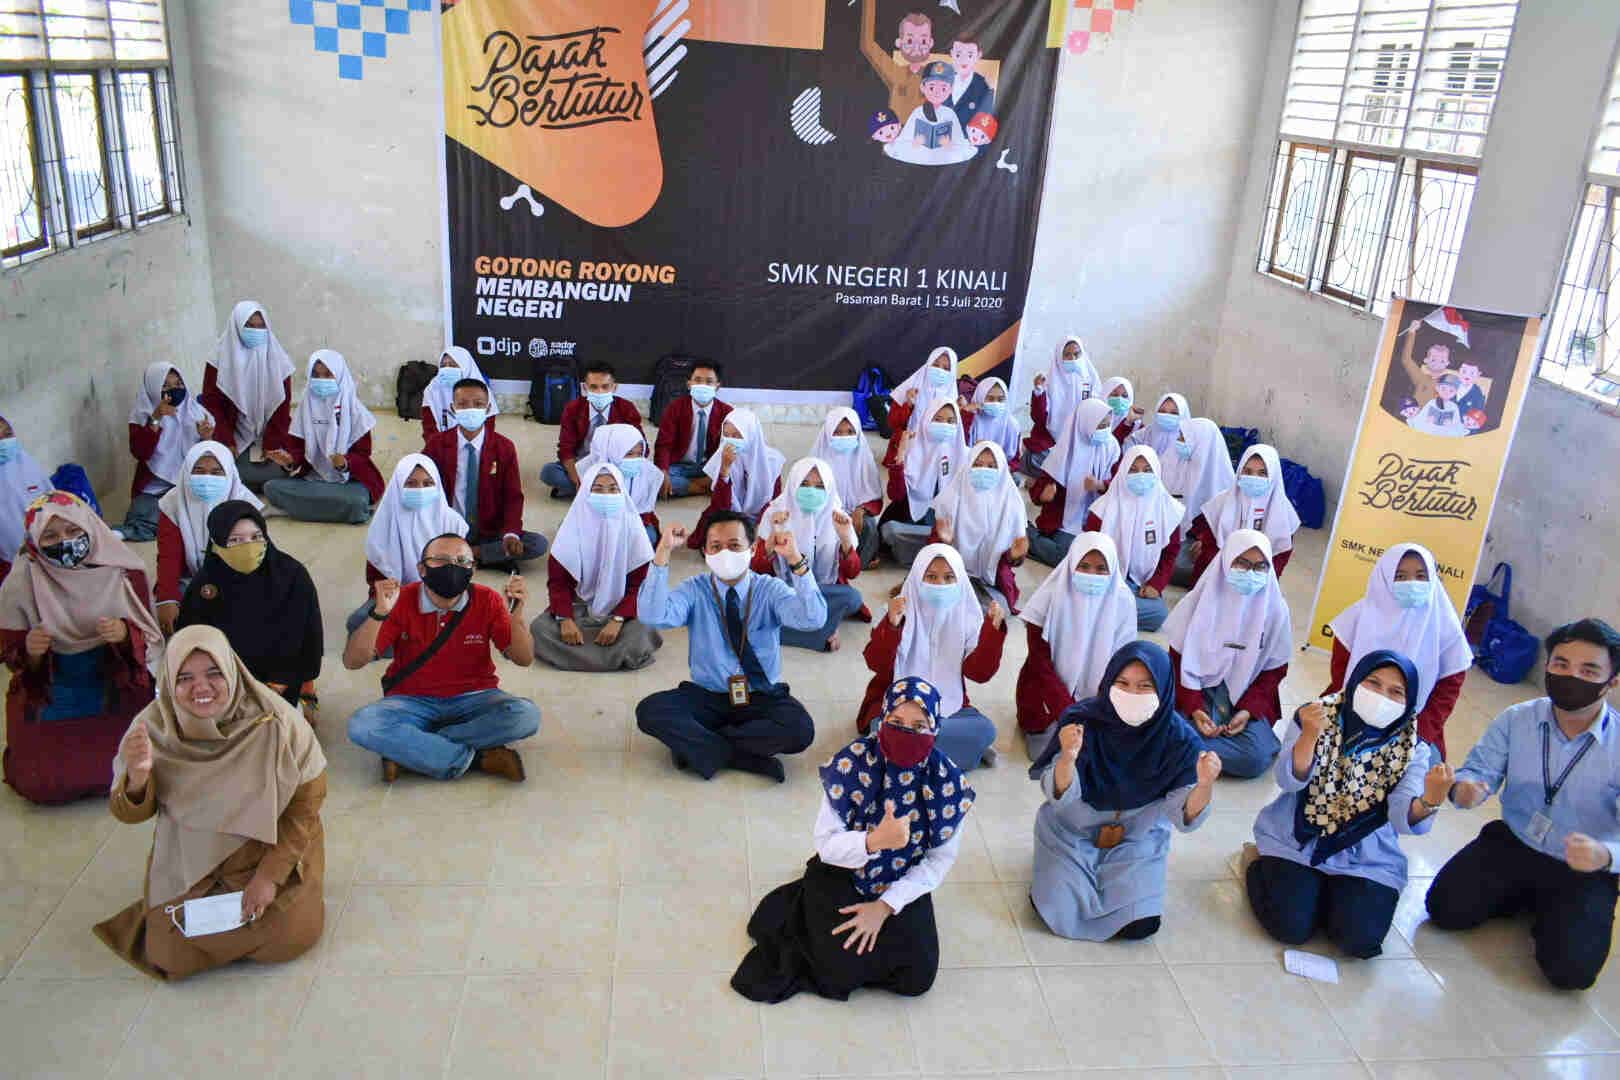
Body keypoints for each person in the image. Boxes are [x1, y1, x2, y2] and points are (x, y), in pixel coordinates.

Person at [92, 626, 327, 979]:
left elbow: (306, 805)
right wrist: (138, 778)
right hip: (192, 856)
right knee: (169, 955)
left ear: (232, 671)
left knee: (289, 938)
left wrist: (269, 877)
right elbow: (127, 813)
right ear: (169, 682)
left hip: (268, 848)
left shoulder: (276, 721)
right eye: (184, 678)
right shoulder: (153, 728)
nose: (200, 687)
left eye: (214, 673)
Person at [732, 677, 974, 1003]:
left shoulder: (947, 784)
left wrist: (886, 906)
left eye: (919, 726)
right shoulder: (852, 765)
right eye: (896, 723)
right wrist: (874, 841)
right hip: (844, 870)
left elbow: (938, 860)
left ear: (935, 729)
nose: (906, 734)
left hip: (902, 881)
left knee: (917, 977)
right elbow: (826, 844)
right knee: (836, 968)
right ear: (882, 720)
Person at [1425, 618, 1620, 990]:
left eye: (1588, 670)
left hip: (1583, 865)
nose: (1571, 677)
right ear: (1547, 665)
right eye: (1561, 664)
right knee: (1445, 909)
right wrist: (1465, 789)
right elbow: (1477, 772)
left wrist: (1605, 855)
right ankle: (1530, 899)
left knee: (1570, 974)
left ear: (1613, 681)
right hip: (1515, 842)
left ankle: (1550, 908)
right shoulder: (1517, 719)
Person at [1245, 650, 1445, 960]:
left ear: (1409, 702)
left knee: (1358, 941)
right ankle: (1260, 863)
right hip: (1300, 837)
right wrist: (1309, 737)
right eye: (1373, 683)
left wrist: (1430, 800)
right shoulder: (1315, 715)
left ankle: (1325, 895)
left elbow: (1401, 817)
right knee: (1289, 927)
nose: (1381, 697)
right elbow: (1289, 781)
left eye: (1395, 692)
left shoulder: (1412, 748)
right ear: (1355, 681)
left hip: (1367, 852)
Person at [1028, 641, 1222, 941]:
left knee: (1140, 925)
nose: (1132, 694)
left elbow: (1183, 817)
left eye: (1145, 686)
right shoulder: (1083, 721)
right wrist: (1067, 757)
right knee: (1055, 909)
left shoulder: (1180, 740)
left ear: (1163, 689)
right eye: (1123, 683)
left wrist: (1205, 785)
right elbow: (1059, 798)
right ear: (1109, 682)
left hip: (1136, 840)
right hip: (1072, 833)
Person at [634, 511, 826, 782]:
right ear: (705, 552)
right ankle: (744, 756)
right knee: (650, 710)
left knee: (800, 730)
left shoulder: (769, 589)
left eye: (734, 545)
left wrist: (796, 560)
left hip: (760, 693)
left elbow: (813, 618)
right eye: (716, 546)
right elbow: (652, 615)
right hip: (708, 694)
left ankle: (702, 748)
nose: (725, 553)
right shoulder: (695, 589)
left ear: (753, 549)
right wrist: (662, 553)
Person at [0, 491, 161, 804]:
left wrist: (124, 635)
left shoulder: (123, 571)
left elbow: (150, 642)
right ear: (34, 540)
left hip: (113, 672)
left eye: (74, 530)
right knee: (39, 778)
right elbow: (13, 658)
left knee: (138, 757)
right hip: (52, 678)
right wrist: (32, 652)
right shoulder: (22, 581)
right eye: (50, 536)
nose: (65, 541)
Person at [344, 533, 538, 783]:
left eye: (462, 561)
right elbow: (353, 661)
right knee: (363, 725)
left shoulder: (487, 599)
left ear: (473, 569)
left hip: (475, 698)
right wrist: (379, 613)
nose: (452, 567)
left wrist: (516, 615)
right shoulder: (401, 599)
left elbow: (524, 658)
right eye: (441, 560)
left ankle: (415, 749)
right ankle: (477, 758)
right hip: (411, 700)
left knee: (526, 715)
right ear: (422, 569)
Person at [857, 544, 1005, 770]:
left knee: (985, 729)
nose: (940, 585)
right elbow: (876, 663)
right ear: (917, 577)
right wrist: (892, 626)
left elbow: (979, 674)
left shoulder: (969, 616)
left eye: (949, 578)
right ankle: (952, 751)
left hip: (949, 708)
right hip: (898, 707)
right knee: (889, 728)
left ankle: (907, 752)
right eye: (931, 577)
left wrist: (991, 634)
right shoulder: (895, 611)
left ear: (960, 581)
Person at [1163, 530, 1292, 779]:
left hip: (1245, 696)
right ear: (1225, 562)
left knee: (1254, 757)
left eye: (1260, 567)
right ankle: (1191, 747)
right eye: (1241, 563)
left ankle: (1184, 750)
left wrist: (1247, 710)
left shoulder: (1276, 609)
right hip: (1197, 689)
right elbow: (1177, 661)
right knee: (1164, 724)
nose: (1250, 573)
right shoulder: (1200, 600)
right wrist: (1195, 708)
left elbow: (1274, 672)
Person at [1324, 542, 1469, 759]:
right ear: (1385, 579)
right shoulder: (1358, 617)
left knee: (1418, 774)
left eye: (1421, 576)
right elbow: (1340, 675)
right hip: (1351, 711)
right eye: (1400, 576)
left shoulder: (1447, 630)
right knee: (1317, 756)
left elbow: (1446, 694)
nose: (1412, 583)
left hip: (1416, 726)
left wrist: (1416, 735)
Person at [176, 502, 321, 714]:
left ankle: (302, 699)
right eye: (235, 540)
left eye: (256, 537)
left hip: (279, 682)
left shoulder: (291, 576)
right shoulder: (204, 585)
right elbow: (191, 642)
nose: (248, 547)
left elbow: (303, 637)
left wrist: (276, 686)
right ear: (217, 544)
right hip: (222, 684)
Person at [1016, 534, 1137, 760]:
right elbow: (1040, 665)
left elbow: (1122, 664)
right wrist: (1069, 711)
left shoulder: (1123, 601)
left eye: (1101, 569)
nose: (1092, 575)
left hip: (1097, 700)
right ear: (1071, 564)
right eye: (1084, 566)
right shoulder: (1050, 597)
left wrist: (1096, 709)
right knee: (1044, 753)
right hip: (1046, 696)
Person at [532, 463, 662, 672]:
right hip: (578, 608)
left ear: (622, 492)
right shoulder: (571, 528)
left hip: (622, 611)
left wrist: (618, 620)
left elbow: (639, 587)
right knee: (540, 629)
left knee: (646, 626)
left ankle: (575, 656)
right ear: (585, 492)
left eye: (613, 489)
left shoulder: (634, 530)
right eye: (598, 489)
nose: (606, 495)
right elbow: (558, 583)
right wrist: (565, 619)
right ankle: (616, 657)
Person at [424, 378, 548, 570]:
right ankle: (482, 555)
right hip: (448, 527)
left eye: (478, 404)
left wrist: (511, 534)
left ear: (488, 408)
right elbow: (425, 488)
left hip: (489, 530)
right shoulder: (437, 444)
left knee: (537, 543)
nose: (470, 409)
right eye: (462, 404)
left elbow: (513, 496)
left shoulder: (504, 447)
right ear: (453, 408)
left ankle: (468, 554)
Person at [346, 454, 468, 636]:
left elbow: (462, 575)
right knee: (357, 623)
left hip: (444, 598)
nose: (420, 490)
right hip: (396, 599)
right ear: (397, 486)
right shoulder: (384, 523)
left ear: (437, 485)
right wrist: (390, 594)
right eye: (411, 483)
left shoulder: (453, 523)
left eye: (428, 483)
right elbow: (375, 580)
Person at [261, 350, 384, 524]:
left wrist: (345, 462)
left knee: (355, 500)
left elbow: (363, 453)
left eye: (328, 375)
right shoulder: (305, 408)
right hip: (313, 477)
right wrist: (290, 461)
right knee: (271, 487)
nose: (321, 380)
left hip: (349, 481)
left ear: (339, 376)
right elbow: (298, 449)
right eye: (316, 375)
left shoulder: (355, 411)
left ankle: (295, 509)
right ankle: (336, 510)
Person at [754, 458, 864, 652]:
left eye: (820, 486)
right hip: (783, 588)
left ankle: (784, 630)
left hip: (822, 590)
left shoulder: (838, 518)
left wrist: (845, 538)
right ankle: (822, 630)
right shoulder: (775, 513)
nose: (811, 491)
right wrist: (772, 538)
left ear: (829, 489)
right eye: (804, 484)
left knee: (852, 598)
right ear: (793, 484)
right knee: (757, 600)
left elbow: (852, 572)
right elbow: (757, 568)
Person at [154, 442, 262, 636]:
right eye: (198, 471)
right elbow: (168, 557)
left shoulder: (245, 505)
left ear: (229, 473)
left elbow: (252, 560)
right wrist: (167, 599)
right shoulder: (172, 503)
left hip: (237, 579)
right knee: (156, 613)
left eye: (216, 472)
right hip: (190, 579)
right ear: (186, 472)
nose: (207, 478)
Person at [1083, 447, 1184, 633]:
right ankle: (1103, 613)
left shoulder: (1169, 510)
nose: (1140, 476)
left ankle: (1096, 615)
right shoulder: (1102, 509)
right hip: (1104, 580)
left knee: (1158, 614)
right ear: (1123, 473)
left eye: (1147, 470)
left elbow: (1170, 553)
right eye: (1133, 470)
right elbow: (1086, 552)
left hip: (1140, 585)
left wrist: (1156, 584)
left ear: (1156, 473)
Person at [201, 301, 294, 492]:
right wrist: (226, 441)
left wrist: (271, 444)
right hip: (234, 435)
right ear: (236, 327)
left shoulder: (279, 359)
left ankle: (248, 482)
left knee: (279, 467)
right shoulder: (218, 360)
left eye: (261, 326)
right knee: (222, 469)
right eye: (249, 326)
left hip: (268, 435)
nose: (256, 331)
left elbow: (282, 408)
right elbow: (212, 405)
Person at [121, 362, 213, 541]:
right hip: (154, 490)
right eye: (165, 386)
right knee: (143, 514)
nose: (174, 390)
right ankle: (126, 532)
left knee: (204, 511)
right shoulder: (142, 417)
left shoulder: (199, 415)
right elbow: (141, 453)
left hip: (190, 485)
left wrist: (206, 439)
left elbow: (212, 460)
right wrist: (156, 417)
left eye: (178, 384)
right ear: (153, 389)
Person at [931, 441, 1027, 611]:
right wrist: (944, 541)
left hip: (990, 580)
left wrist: (1014, 555)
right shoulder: (951, 496)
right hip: (951, 572)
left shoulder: (1012, 503)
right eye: (978, 464)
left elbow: (1008, 562)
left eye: (991, 466)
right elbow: (933, 548)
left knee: (997, 608)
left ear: (1002, 470)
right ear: (968, 465)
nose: (984, 470)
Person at [1186, 444, 1300, 583]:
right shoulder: (1221, 503)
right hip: (1218, 576)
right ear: (1240, 472)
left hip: (1257, 581)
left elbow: (1280, 556)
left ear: (1273, 476)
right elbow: (1208, 553)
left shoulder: (1284, 513)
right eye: (1248, 471)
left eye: (1262, 473)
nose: (1254, 478)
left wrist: (1256, 580)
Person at [1028, 398, 1119, 568]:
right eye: (1100, 426)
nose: (1105, 430)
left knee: (1099, 556)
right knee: (1071, 558)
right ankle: (1029, 535)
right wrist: (1043, 495)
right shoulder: (1066, 448)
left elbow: (1118, 484)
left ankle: (1030, 540)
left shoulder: (1112, 447)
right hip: (1065, 523)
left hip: (1097, 520)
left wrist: (1100, 485)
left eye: (1107, 425)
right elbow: (1037, 492)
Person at [879, 399, 968, 568]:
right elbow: (895, 495)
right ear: (927, 420)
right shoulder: (912, 448)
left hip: (945, 530)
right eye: (938, 419)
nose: (944, 425)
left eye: (950, 421)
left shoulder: (964, 456)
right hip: (911, 525)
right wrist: (900, 455)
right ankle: (931, 554)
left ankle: (929, 554)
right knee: (891, 530)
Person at [686, 407, 785, 550]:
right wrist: (725, 469)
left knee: (772, 542)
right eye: (727, 435)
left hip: (760, 518)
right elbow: (720, 504)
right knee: (717, 541)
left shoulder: (772, 461)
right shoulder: (723, 455)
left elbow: (774, 501)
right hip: (729, 514)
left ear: (751, 435)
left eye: (737, 436)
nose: (731, 441)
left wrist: (758, 526)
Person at [541, 361, 643, 498]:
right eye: (593, 387)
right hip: (582, 464)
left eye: (605, 387)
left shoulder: (626, 408)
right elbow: (565, 449)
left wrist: (618, 473)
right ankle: (608, 491)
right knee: (549, 472)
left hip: (616, 467)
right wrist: (576, 478)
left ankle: (589, 490)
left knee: (650, 476)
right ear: (585, 388)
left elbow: (641, 446)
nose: (599, 392)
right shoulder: (573, 408)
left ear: (614, 387)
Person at [1161, 417, 1233, 586]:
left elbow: (1229, 526)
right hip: (1169, 536)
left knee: (1201, 565)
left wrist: (1205, 540)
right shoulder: (1172, 462)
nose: (1179, 442)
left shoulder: (1226, 482)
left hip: (1196, 543)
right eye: (1180, 436)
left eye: (1184, 438)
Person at [810, 407, 884, 568]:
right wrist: (833, 512)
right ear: (828, 433)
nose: (844, 437)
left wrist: (862, 510)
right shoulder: (818, 458)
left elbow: (875, 499)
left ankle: (857, 564)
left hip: (854, 513)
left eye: (850, 432)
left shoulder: (863, 459)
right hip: (824, 511)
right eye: (837, 432)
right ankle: (829, 561)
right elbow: (809, 495)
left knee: (869, 524)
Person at [652, 359, 730, 498]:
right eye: (698, 380)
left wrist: (720, 472)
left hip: (710, 467)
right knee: (654, 479)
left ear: (717, 386)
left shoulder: (727, 412)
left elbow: (730, 449)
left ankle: (689, 486)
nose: (703, 385)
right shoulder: (675, 408)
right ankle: (703, 487)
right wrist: (663, 472)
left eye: (709, 381)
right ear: (689, 384)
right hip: (680, 466)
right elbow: (664, 445)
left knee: (735, 477)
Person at [577, 422, 662, 546]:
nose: (635, 460)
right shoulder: (591, 471)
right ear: (612, 452)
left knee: (648, 536)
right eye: (629, 454)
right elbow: (586, 511)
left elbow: (645, 514)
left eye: (639, 454)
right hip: (598, 523)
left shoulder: (647, 472)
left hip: (633, 524)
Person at [1025, 336, 1099, 477]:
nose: (1072, 359)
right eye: (1067, 355)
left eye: (1076, 354)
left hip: (1081, 441)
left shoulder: (1091, 380)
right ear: (1059, 357)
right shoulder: (1048, 382)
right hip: (1052, 442)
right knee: (1037, 458)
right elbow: (1038, 418)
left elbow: (1097, 415)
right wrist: (1039, 391)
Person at [0, 414, 50, 587]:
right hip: (9, 565)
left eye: (7, 434)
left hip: (47, 550)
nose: (4, 442)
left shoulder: (26, 462)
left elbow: (52, 498)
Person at [421, 346, 500, 443]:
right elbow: (429, 426)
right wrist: (439, 447)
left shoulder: (481, 389)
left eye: (453, 365)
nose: (447, 369)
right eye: (443, 365)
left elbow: (488, 429)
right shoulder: (432, 389)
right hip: (439, 447)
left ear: (465, 366)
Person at [884, 347, 959, 438]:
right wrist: (908, 405)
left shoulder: (952, 399)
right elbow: (892, 424)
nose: (940, 370)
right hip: (906, 444)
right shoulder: (910, 388)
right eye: (935, 365)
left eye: (946, 368)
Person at [963, 376, 1021, 475]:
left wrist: (1006, 469)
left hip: (1000, 471)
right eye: (990, 399)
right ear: (980, 397)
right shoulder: (971, 419)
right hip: (971, 469)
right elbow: (960, 445)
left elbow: (1015, 459)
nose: (995, 403)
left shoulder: (1012, 424)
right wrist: (965, 414)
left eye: (1000, 399)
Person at [1127, 392, 1190, 461]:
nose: (1167, 415)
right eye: (1162, 411)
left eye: (1174, 413)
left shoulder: (1189, 442)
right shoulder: (1141, 436)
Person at [1408, 373, 1468, 437]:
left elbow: (1457, 424)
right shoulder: (1431, 403)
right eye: (1443, 389)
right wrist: (1427, 420)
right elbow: (1420, 417)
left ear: (1455, 392)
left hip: (1445, 433)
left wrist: (1450, 424)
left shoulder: (1454, 407)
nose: (1446, 392)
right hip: (1430, 430)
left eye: (1451, 391)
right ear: (1437, 388)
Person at [947, 37, 994, 118]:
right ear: (952, 53)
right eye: (958, 55)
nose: (963, 60)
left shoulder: (983, 86)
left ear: (978, 55)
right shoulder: (944, 79)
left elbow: (985, 117)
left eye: (970, 55)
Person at [1101, 375, 1143, 444]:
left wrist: (1128, 422)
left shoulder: (1136, 424)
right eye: (1114, 395)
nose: (1119, 399)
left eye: (1125, 396)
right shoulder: (1095, 420)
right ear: (1104, 396)